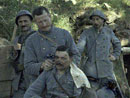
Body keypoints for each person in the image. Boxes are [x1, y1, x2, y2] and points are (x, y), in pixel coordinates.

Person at [24, 6, 80, 84]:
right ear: (35, 22)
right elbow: (28, 67)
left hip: (66, 81)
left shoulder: (64, 34)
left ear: (50, 17)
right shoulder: (30, 41)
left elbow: (76, 55)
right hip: (42, 82)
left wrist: (66, 65)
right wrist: (42, 66)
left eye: (45, 20)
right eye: (40, 22)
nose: (44, 24)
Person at [77, 9, 121, 98]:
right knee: (90, 94)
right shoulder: (87, 32)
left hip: (106, 69)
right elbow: (79, 48)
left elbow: (117, 43)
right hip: (91, 70)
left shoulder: (108, 32)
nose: (95, 22)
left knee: (109, 93)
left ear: (103, 20)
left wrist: (115, 56)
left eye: (97, 19)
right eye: (93, 19)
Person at [11, 10, 35, 98]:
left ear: (31, 22)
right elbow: (12, 59)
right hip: (19, 81)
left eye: (25, 21)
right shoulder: (16, 40)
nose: (23, 24)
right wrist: (15, 53)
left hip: (33, 80)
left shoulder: (37, 37)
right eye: (20, 22)